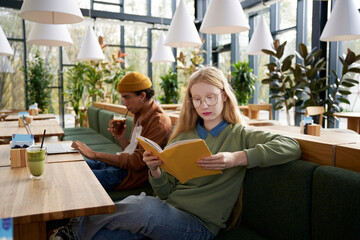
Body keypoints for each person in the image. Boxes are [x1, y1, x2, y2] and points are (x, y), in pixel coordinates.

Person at [51, 66, 301, 240]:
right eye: (197, 99)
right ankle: (69, 234)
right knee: (111, 235)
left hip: (199, 226)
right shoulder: (183, 135)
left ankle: (73, 229)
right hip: (167, 214)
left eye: (211, 98)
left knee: (141, 205)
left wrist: (237, 157)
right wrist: (156, 170)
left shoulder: (239, 134)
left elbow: (291, 146)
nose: (204, 105)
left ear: (224, 96)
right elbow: (166, 192)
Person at [71, 72, 173, 192]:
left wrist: (95, 154)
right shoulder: (139, 113)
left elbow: (138, 162)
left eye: (126, 97)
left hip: (129, 175)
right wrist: (121, 138)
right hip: (120, 166)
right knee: (73, 167)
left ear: (142, 96)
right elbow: (131, 150)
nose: (124, 103)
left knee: (76, 179)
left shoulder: (158, 122)